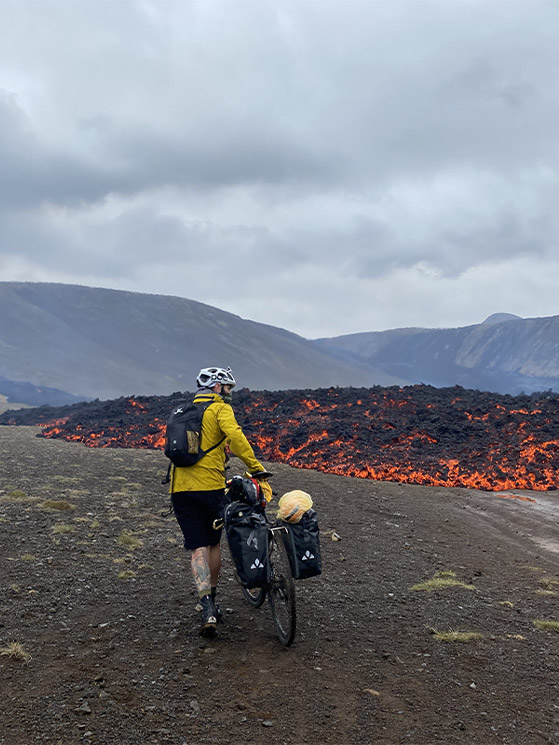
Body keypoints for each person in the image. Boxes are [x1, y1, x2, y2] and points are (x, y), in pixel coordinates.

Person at [169, 366, 271, 637]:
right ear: (216, 387)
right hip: (211, 488)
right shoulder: (219, 409)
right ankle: (213, 600)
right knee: (213, 544)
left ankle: (207, 608)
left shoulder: (182, 411)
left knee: (197, 547)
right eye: (228, 387)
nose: (229, 392)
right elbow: (236, 439)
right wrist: (256, 467)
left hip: (180, 490)